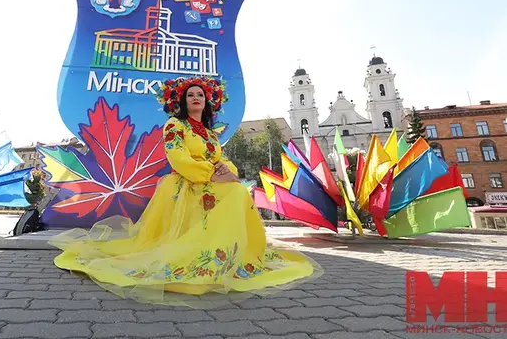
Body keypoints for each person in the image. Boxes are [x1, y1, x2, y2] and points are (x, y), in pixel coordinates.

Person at [50, 76, 321, 307]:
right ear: (182, 101)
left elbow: (222, 159)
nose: (195, 98)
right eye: (190, 95)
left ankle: (235, 256)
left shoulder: (211, 134)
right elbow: (176, 156)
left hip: (211, 181)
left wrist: (229, 171)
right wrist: (210, 173)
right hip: (185, 183)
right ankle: (208, 258)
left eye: (200, 94)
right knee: (236, 194)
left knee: (239, 192)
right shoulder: (175, 126)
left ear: (207, 101)